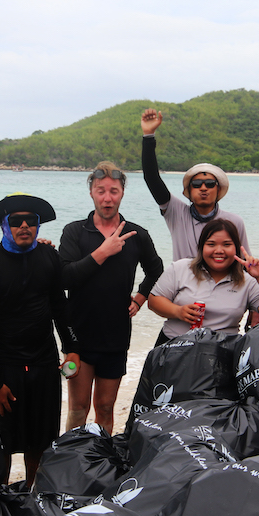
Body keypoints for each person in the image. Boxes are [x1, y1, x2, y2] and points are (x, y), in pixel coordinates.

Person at [0, 193, 80, 486]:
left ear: (38, 225)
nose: (24, 226)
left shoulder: (48, 257)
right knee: (1, 444)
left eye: (30, 220)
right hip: (6, 369)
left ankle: (33, 495)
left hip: (44, 364)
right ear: (4, 225)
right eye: (16, 221)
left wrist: (72, 348)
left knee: (41, 441)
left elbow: (59, 305)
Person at [59, 162, 164, 434]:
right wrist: (102, 252)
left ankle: (101, 459)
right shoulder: (75, 232)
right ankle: (72, 461)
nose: (107, 198)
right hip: (77, 337)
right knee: (78, 409)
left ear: (122, 194)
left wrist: (140, 297)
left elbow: (156, 270)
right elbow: (64, 277)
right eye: (101, 191)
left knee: (105, 408)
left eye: (114, 191)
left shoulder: (137, 235)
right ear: (91, 193)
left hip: (116, 336)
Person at [148, 218, 259, 343]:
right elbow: (154, 301)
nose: (219, 250)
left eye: (226, 245)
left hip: (221, 352)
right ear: (202, 248)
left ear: (236, 249)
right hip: (173, 346)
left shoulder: (247, 282)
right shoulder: (181, 268)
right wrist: (178, 311)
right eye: (211, 244)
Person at [140, 108, 250, 261]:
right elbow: (152, 178)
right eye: (197, 184)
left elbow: (244, 263)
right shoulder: (176, 214)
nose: (203, 188)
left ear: (218, 190)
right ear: (189, 191)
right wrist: (148, 136)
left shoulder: (234, 222)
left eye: (210, 184)